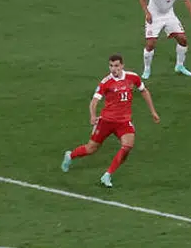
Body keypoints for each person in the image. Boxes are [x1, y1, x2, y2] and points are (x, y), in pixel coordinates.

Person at [61, 54, 160, 188]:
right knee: (91, 149)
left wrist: (153, 111)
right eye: (111, 66)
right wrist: (92, 115)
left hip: (124, 122)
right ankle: (70, 155)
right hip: (106, 121)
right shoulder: (105, 82)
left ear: (122, 66)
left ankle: (107, 175)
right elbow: (94, 101)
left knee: (127, 147)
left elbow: (144, 91)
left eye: (116, 66)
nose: (114, 69)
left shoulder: (133, 77)